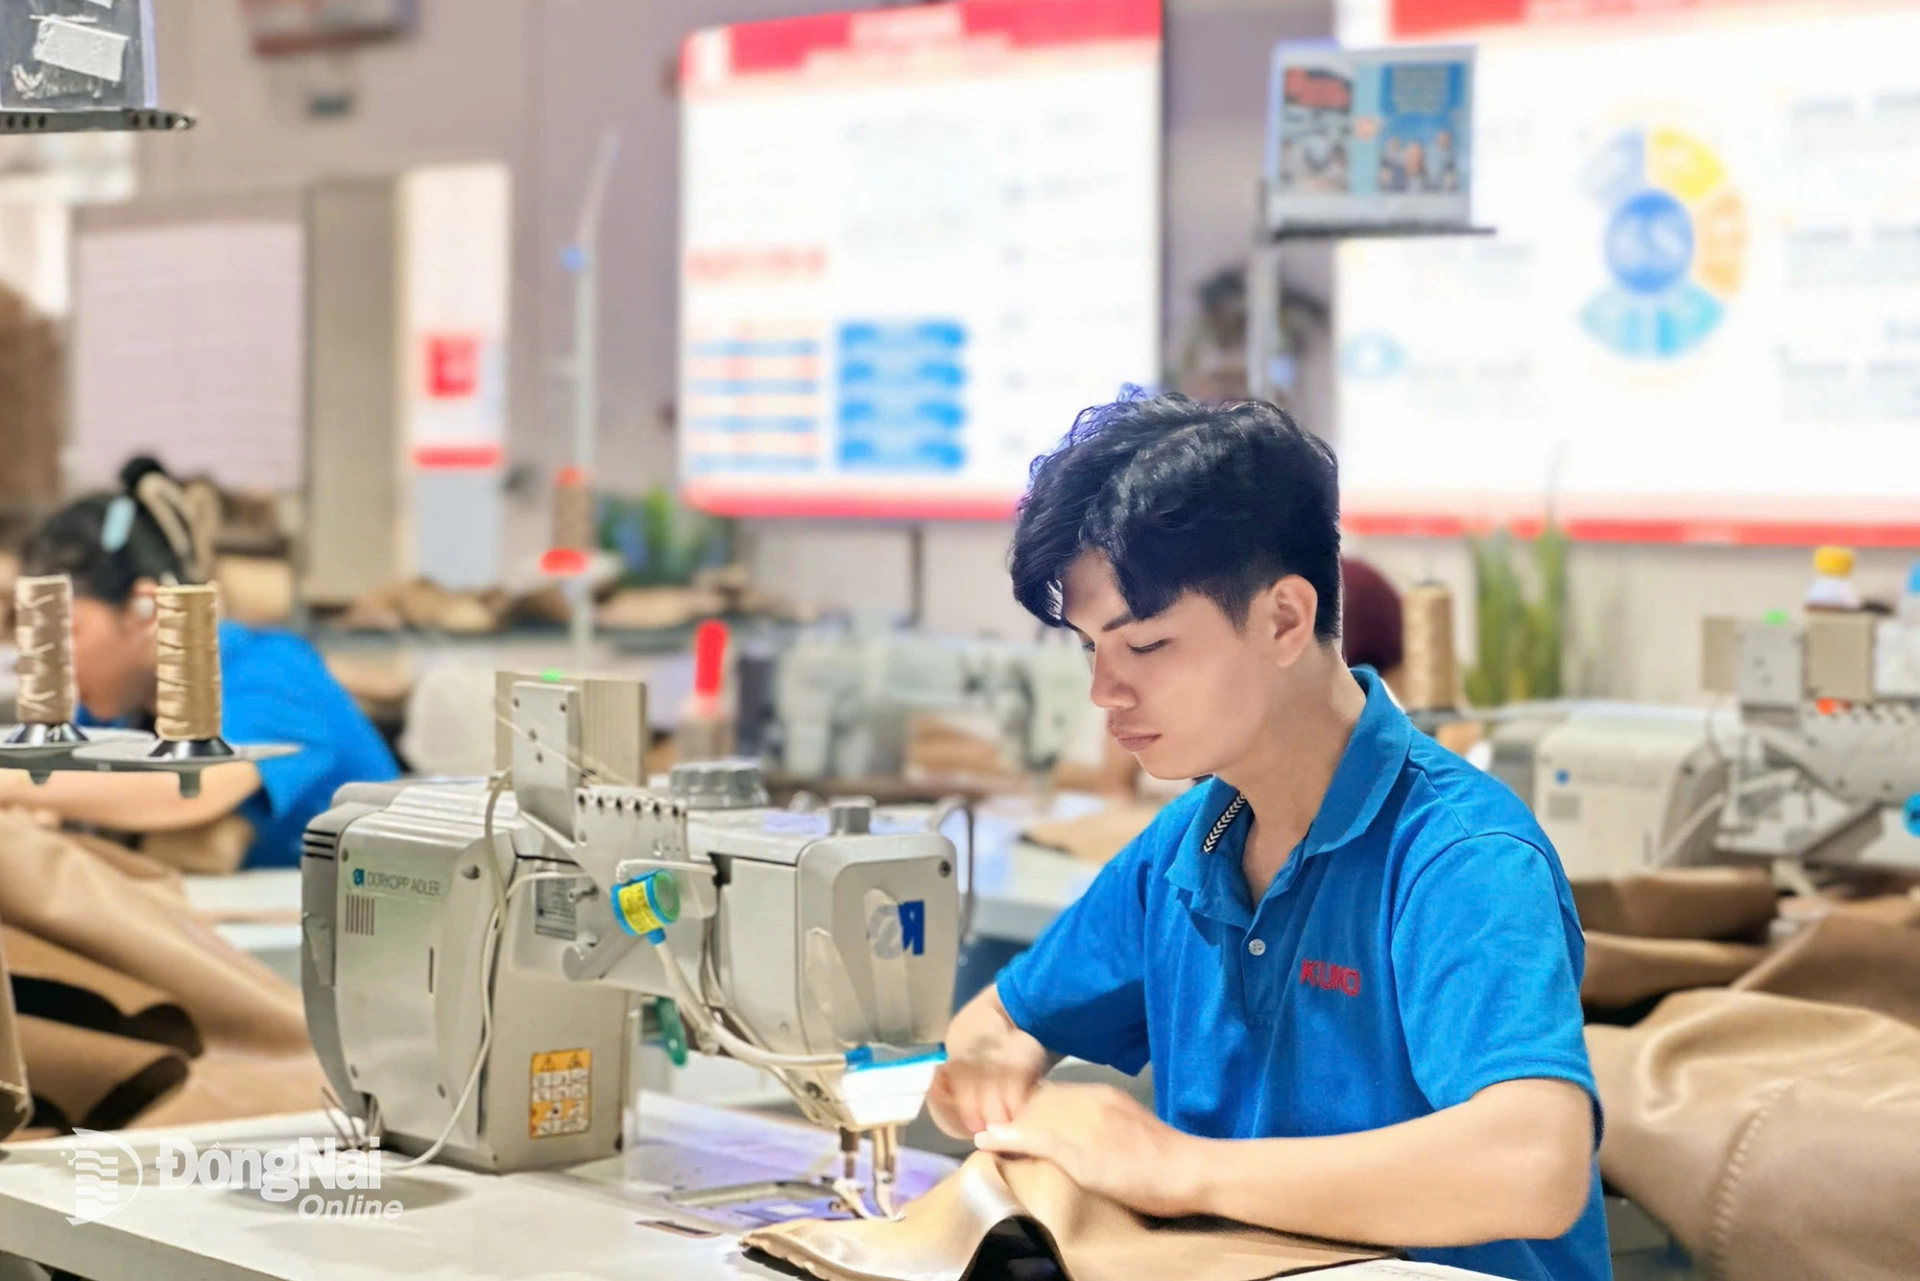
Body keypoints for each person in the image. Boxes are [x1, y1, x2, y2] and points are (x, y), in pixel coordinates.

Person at [932, 395, 1608, 1280]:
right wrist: (994, 1073)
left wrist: (1176, 1168)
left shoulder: (1458, 856)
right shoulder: (1187, 845)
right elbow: (995, 1022)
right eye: (1091, 648)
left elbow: (1535, 1164)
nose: (1105, 692)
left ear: (1285, 619)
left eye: (1148, 644)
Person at [5, 458, 399, 870]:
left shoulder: (270, 671)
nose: (48, 661)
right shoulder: (114, 709)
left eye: (69, 631)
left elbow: (194, 790)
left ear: (146, 609)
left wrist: (16, 784)